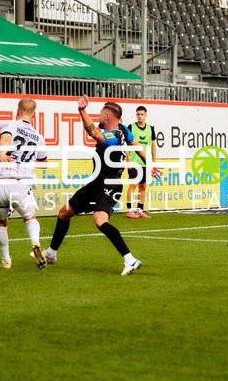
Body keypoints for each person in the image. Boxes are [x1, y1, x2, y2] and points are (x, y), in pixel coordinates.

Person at [43, 95, 158, 276]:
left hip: (110, 185)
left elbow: (93, 133)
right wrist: (149, 163)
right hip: (96, 183)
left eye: (100, 113)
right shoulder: (123, 130)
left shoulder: (112, 136)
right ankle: (51, 254)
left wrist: (82, 111)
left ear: (107, 117)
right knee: (64, 213)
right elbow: (136, 145)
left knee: (99, 220)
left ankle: (130, 259)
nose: (98, 116)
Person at [0, 98, 48, 270]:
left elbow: (6, 139)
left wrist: (1, 151)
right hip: (19, 183)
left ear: (17, 111)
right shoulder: (38, 137)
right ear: (34, 115)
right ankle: (35, 243)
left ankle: (6, 260)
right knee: (30, 218)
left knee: (1, 222)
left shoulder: (9, 124)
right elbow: (44, 163)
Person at [125, 105, 157, 218]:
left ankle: (140, 210)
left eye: (142, 114)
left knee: (143, 186)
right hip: (134, 162)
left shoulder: (151, 129)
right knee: (132, 185)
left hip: (146, 163)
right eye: (138, 114)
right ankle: (129, 210)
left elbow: (153, 146)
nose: (140, 116)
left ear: (146, 115)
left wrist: (153, 162)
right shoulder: (131, 127)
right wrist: (128, 160)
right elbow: (127, 146)